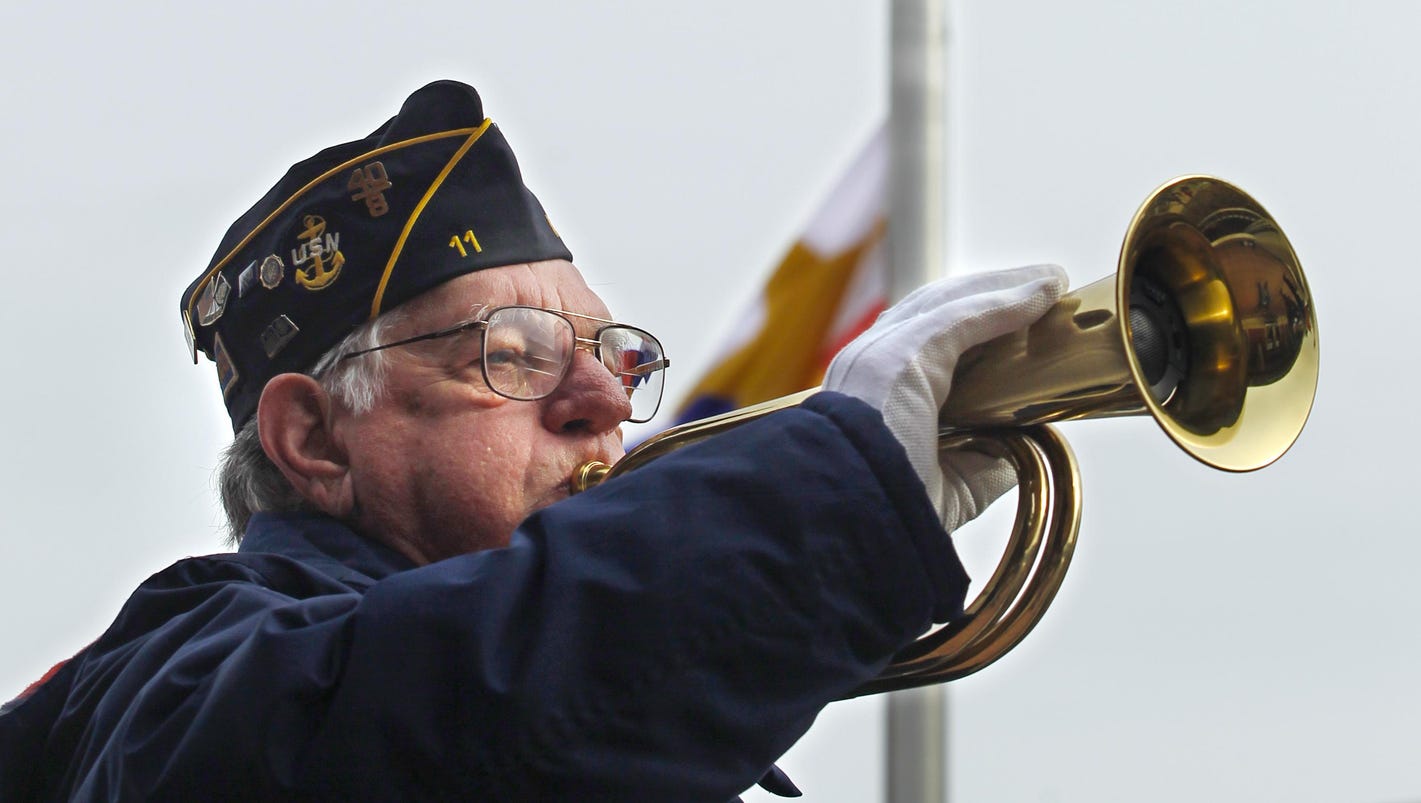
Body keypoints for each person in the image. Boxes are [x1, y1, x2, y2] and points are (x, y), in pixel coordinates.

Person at [0, 80, 1066, 801]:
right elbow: (425, 710)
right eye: (512, 352)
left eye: (617, 352)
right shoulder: (174, 684)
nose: (601, 396)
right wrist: (828, 499)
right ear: (314, 441)